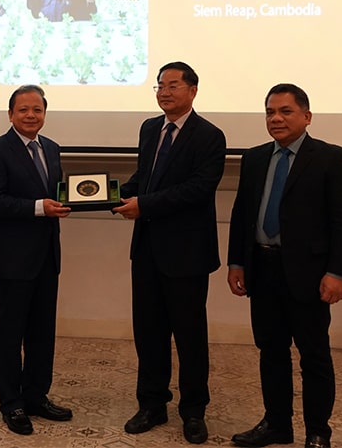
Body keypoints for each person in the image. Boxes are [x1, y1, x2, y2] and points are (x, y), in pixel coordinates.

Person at [227, 83, 342, 448]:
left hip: (310, 275)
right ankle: (276, 424)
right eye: (270, 112)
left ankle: (318, 431)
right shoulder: (254, 158)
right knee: (271, 352)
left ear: (306, 116)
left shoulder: (331, 158)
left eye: (285, 111)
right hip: (262, 269)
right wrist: (236, 262)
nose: (276, 119)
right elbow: (241, 216)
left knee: (314, 355)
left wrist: (338, 273)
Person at [112, 61, 227, 445]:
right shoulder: (149, 129)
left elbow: (197, 190)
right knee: (149, 332)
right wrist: (115, 194)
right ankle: (152, 404)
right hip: (147, 249)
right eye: (160, 85)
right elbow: (146, 176)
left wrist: (143, 205)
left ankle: (193, 411)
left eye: (173, 85)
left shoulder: (210, 136)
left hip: (187, 253)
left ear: (193, 90)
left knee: (190, 336)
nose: (164, 91)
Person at [0, 85, 73, 436]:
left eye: (37, 109)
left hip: (47, 256)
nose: (31, 115)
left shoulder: (51, 148)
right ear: (10, 114)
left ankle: (36, 396)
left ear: (44, 113)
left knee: (42, 332)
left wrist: (65, 203)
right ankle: (12, 403)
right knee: (10, 333)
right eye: (23, 110)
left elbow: (57, 193)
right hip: (13, 259)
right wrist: (39, 208)